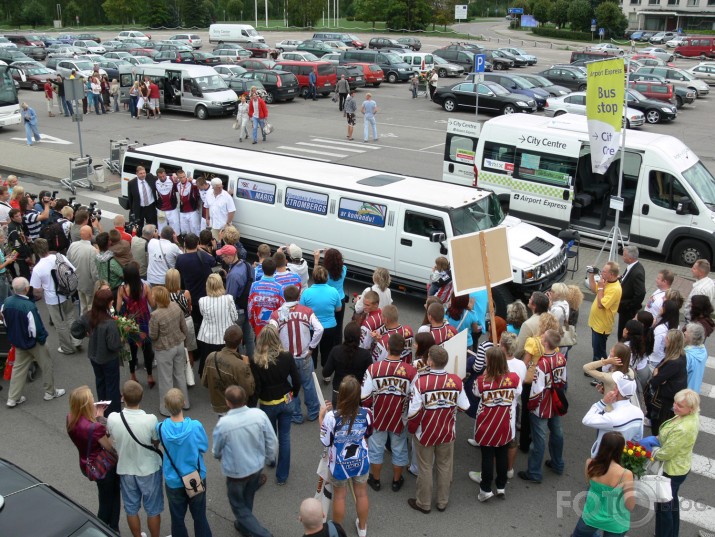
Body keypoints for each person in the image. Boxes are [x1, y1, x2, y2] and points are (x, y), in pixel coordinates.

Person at [407, 346, 469, 513]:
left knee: (425, 467)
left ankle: (424, 503)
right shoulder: (456, 381)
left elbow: (412, 412)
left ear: (430, 361)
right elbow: (464, 406)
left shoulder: (421, 383)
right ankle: (442, 501)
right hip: (447, 431)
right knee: (444, 466)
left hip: (425, 432)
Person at [212, 385, 276, 537]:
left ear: (228, 402)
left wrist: (218, 456)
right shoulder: (259, 415)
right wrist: (270, 457)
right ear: (245, 398)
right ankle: (244, 526)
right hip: (256, 467)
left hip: (236, 473)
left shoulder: (224, 424)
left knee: (238, 506)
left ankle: (263, 534)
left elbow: (216, 450)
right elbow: (272, 440)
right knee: (248, 498)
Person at [106, 380, 164, 537]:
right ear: (141, 397)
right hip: (149, 469)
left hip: (126, 469)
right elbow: (155, 441)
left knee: (131, 509)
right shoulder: (151, 419)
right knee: (153, 509)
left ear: (122, 397)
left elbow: (109, 436)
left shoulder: (112, 418)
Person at [361, 333, 417, 493]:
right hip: (400, 419)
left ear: (387, 347)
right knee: (399, 449)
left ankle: (376, 480)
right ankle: (396, 481)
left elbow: (364, 396)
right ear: (403, 350)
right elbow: (415, 398)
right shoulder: (411, 372)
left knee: (376, 448)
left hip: (378, 416)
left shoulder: (373, 368)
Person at [640, 389, 700, 537]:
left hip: (672, 470)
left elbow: (667, 453)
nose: (675, 406)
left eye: (680, 405)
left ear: (690, 409)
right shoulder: (688, 416)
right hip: (680, 467)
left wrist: (651, 452)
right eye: (675, 402)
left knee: (663, 507)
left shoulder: (683, 428)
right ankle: (671, 533)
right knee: (671, 504)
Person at [320, 376, 372, 537]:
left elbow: (326, 441)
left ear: (340, 394)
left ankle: (337, 531)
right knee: (362, 493)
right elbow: (368, 433)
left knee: (340, 496)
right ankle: (362, 528)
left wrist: (321, 417)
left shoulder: (332, 417)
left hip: (339, 463)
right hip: (361, 460)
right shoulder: (367, 413)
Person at [157, 389, 212, 537]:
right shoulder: (195, 426)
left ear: (166, 406)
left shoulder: (161, 428)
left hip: (174, 480)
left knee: (177, 519)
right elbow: (203, 447)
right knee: (200, 516)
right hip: (196, 477)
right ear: (184, 403)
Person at [2, 277, 64, 407]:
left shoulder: (6, 303)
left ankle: (13, 398)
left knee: (18, 369)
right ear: (26, 288)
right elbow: (35, 329)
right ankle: (49, 392)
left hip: (18, 342)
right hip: (33, 342)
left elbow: (6, 322)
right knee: (46, 365)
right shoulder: (29, 306)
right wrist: (41, 340)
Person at [471, 347, 522, 501]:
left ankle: (485, 489)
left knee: (487, 457)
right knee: (501, 455)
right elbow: (518, 392)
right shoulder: (514, 378)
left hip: (486, 423)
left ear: (490, 362)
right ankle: (501, 486)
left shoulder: (481, 381)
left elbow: (475, 393)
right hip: (505, 422)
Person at [251, 324, 300, 485]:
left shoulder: (256, 361)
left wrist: (251, 407)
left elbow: (256, 388)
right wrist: (294, 393)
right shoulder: (286, 356)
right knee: (285, 437)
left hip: (267, 404)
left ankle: (271, 459)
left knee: (270, 436)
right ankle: (282, 476)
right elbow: (296, 379)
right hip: (286, 400)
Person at [66, 386, 121, 531]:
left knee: (107, 496)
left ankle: (113, 529)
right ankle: (104, 530)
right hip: (103, 467)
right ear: (85, 404)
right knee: (108, 501)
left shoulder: (70, 418)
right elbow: (109, 447)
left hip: (85, 462)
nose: (93, 399)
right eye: (90, 397)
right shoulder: (94, 427)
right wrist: (100, 418)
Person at [269, 285, 323, 424]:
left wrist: (278, 350)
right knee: (308, 384)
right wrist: (311, 347)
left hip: (286, 359)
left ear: (284, 297)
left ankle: (296, 414)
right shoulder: (307, 311)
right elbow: (319, 329)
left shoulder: (276, 314)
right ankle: (313, 412)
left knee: (290, 386)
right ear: (298, 297)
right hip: (304, 355)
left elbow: (270, 333)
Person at [518, 329, 566, 484]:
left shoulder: (542, 364)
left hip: (543, 404)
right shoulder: (560, 358)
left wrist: (531, 406)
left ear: (545, 343)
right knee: (557, 433)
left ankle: (534, 472)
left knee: (539, 439)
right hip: (555, 401)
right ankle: (558, 463)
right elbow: (562, 381)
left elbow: (536, 389)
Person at [571, 431, 635, 537]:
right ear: (620, 450)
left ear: (602, 446)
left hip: (591, 514)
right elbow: (630, 505)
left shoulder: (590, 463)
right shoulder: (625, 474)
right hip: (615, 521)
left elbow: (590, 484)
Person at [71, 289, 123, 416]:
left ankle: (102, 410)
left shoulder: (89, 315)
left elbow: (75, 328)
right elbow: (113, 345)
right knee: (112, 386)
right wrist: (121, 339)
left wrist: (86, 333)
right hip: (108, 359)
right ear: (107, 303)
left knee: (100, 383)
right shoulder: (110, 323)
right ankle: (113, 414)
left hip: (94, 356)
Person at [30, 238, 79, 355]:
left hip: (53, 299)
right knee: (71, 317)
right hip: (67, 293)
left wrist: (43, 287)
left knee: (60, 323)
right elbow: (73, 270)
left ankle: (67, 348)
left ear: (36, 252)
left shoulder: (38, 268)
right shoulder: (59, 257)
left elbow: (35, 289)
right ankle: (76, 340)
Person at [582, 372, 644, 457]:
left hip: (603, 459)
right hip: (620, 457)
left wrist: (602, 402)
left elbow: (586, 420)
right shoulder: (639, 413)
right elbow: (637, 439)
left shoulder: (612, 418)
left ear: (616, 390)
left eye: (615, 385)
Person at [149, 286, 189, 417]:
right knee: (180, 375)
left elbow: (153, 335)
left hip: (164, 349)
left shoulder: (155, 315)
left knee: (166, 379)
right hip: (179, 344)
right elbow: (184, 326)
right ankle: (185, 403)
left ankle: (166, 409)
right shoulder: (176, 307)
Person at [117, 262, 156, 387]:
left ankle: (132, 375)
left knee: (132, 351)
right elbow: (153, 304)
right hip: (145, 322)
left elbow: (118, 308)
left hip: (130, 323)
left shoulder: (122, 290)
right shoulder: (144, 287)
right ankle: (149, 376)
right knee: (147, 350)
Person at [201, 325, 255, 415]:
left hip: (218, 406)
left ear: (224, 339)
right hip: (236, 409)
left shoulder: (211, 357)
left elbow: (205, 382)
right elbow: (250, 390)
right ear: (240, 341)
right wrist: (247, 366)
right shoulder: (240, 365)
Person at [300, 265, 341, 372]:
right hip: (330, 328)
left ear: (313, 277)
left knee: (311, 350)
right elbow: (338, 309)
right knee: (327, 351)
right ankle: (326, 374)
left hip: (311, 328)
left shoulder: (306, 293)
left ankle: (312, 372)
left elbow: (302, 311)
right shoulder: (334, 291)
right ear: (326, 278)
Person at [646, 329, 687, 435]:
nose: (665, 339)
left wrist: (656, 374)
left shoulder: (673, 362)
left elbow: (655, 381)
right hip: (669, 399)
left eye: (667, 338)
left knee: (658, 428)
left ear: (672, 342)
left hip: (663, 402)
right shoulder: (681, 356)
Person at [197, 274, 239, 377]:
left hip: (208, 337)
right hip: (226, 337)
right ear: (221, 284)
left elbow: (203, 315)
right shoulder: (228, 298)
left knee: (210, 363)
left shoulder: (202, 300)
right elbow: (235, 318)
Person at [323, 322, 373, 406]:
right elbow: (370, 377)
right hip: (356, 392)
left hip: (339, 390)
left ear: (344, 335)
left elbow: (326, 373)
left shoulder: (336, 351)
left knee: (338, 417)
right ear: (359, 337)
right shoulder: (365, 355)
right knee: (355, 416)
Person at [175, 232, 216, 330]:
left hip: (190, 297)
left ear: (185, 244)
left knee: (194, 323)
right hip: (204, 295)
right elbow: (213, 260)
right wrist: (200, 249)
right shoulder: (204, 257)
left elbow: (178, 274)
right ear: (197, 243)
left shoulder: (180, 259)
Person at [587, 261, 623, 363]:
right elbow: (594, 290)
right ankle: (598, 367)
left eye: (604, 271)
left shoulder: (615, 289)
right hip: (596, 323)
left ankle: (599, 372)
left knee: (599, 352)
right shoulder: (606, 281)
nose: (601, 273)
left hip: (602, 326)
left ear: (611, 274)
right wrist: (591, 276)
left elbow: (600, 305)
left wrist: (601, 287)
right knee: (596, 347)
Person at [315, 247, 348, 342]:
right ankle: (337, 344)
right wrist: (331, 253)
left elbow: (317, 276)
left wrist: (317, 260)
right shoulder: (344, 269)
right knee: (339, 324)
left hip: (327, 299)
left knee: (326, 322)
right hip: (340, 299)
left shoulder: (325, 273)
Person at [165, 268, 198, 365]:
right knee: (189, 350)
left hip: (171, 323)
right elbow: (189, 309)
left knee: (175, 352)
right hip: (186, 320)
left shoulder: (165, 295)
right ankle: (190, 373)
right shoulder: (186, 293)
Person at [248, 258, 285, 338]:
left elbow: (250, 308)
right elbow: (283, 309)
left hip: (258, 327)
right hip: (274, 329)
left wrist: (251, 323)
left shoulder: (254, 286)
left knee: (259, 349)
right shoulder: (280, 288)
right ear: (275, 270)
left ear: (262, 269)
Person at [66, 225, 99, 314]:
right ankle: (89, 325)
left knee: (83, 306)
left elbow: (67, 261)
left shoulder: (73, 245)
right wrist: (98, 284)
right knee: (90, 307)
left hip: (77, 281)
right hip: (89, 284)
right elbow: (94, 271)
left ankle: (83, 323)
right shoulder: (92, 250)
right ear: (90, 235)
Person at [617, 245, 646, 337]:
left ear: (630, 258)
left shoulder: (637, 272)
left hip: (628, 311)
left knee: (624, 333)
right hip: (625, 308)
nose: (622, 257)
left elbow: (640, 293)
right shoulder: (632, 266)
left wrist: (629, 307)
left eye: (624, 255)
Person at [175, 169, 201, 236]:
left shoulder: (192, 183)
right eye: (180, 177)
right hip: (182, 212)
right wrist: (172, 175)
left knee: (195, 230)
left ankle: (197, 244)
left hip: (193, 211)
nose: (183, 178)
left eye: (184, 176)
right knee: (185, 231)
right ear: (178, 177)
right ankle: (186, 245)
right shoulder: (177, 185)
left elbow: (202, 183)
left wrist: (192, 180)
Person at [684, 322, 707, 393]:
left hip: (684, 392)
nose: (684, 333)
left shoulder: (687, 355)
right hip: (695, 390)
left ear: (692, 336)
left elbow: (680, 375)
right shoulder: (703, 350)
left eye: (686, 331)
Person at [154, 169, 179, 233]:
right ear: (157, 176)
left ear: (165, 174)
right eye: (160, 177)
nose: (162, 178)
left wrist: (173, 174)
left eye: (163, 176)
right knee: (161, 229)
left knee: (175, 228)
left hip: (172, 209)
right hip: (161, 210)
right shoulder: (155, 181)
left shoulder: (172, 179)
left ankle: (175, 241)